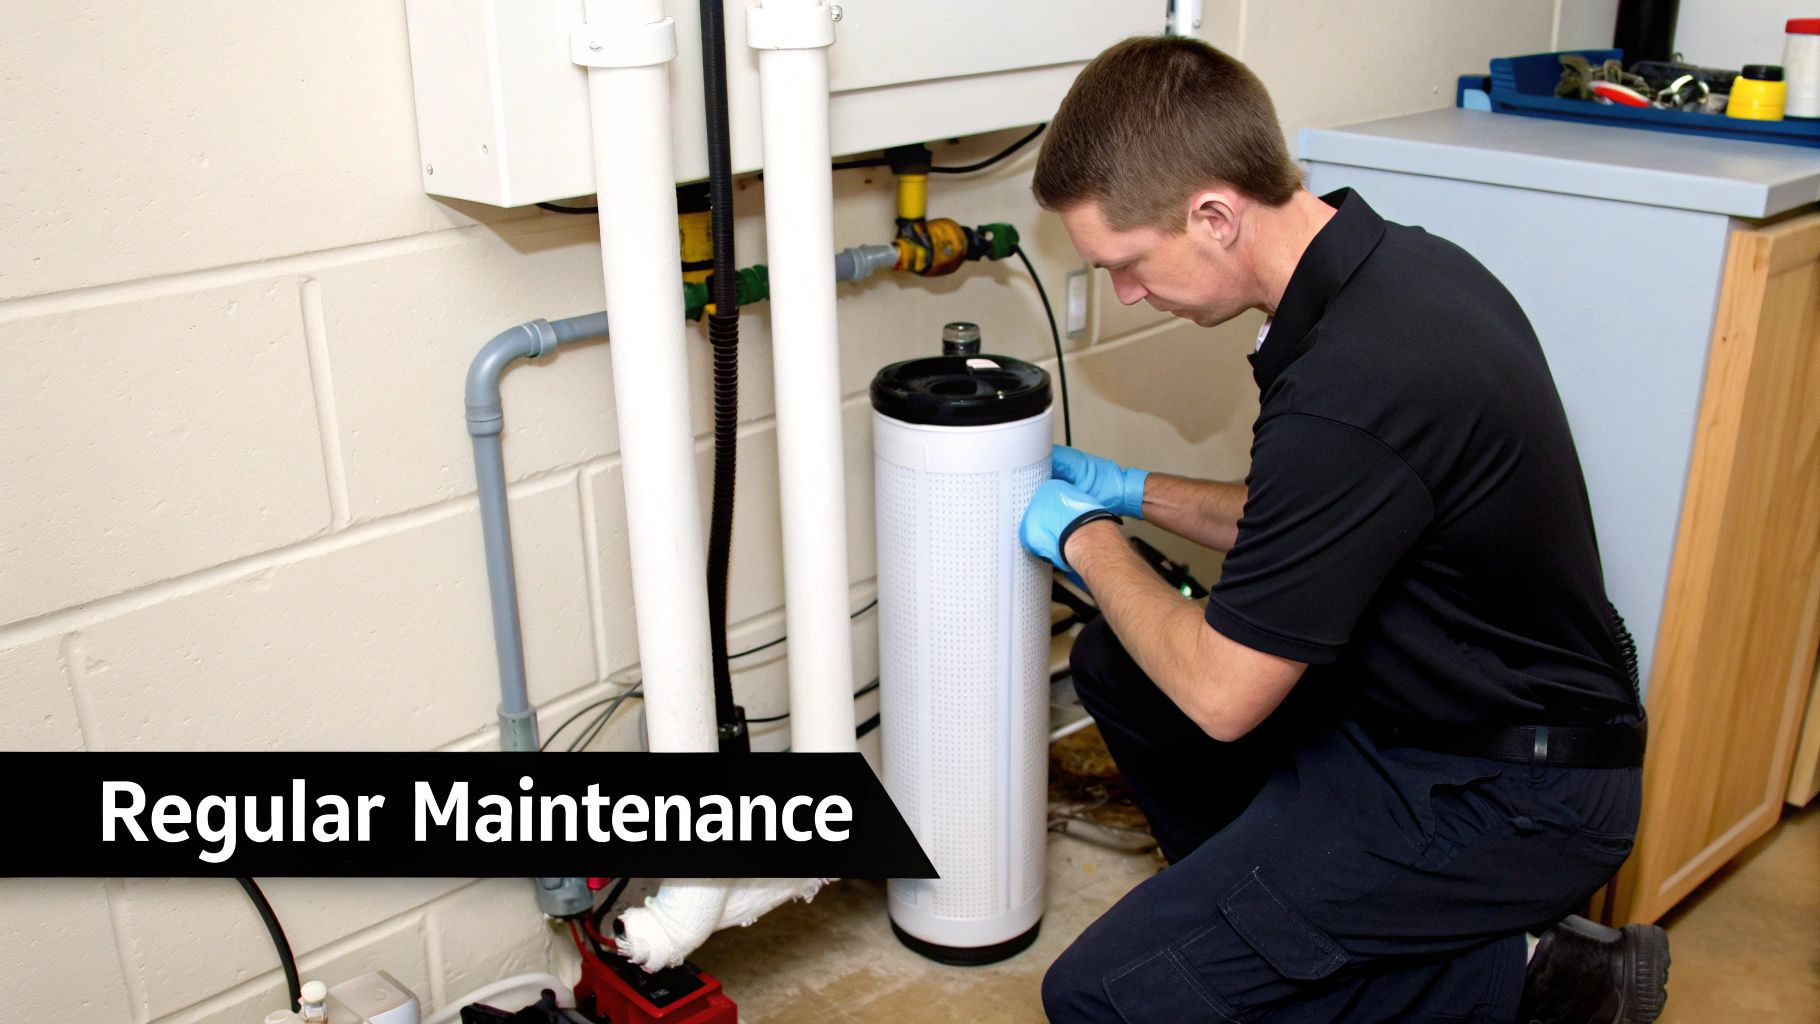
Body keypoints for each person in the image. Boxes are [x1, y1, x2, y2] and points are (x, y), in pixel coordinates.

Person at [1018, 36, 1668, 1024]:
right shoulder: (1391, 272)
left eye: (1126, 264)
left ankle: (1537, 977)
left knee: (1103, 996)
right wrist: (1127, 489)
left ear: (1213, 213)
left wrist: (1083, 542)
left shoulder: (1352, 387)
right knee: (1116, 664)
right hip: (1422, 712)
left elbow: (1223, 694)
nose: (1126, 294)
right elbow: (1308, 524)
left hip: (1505, 789)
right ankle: (1277, 933)